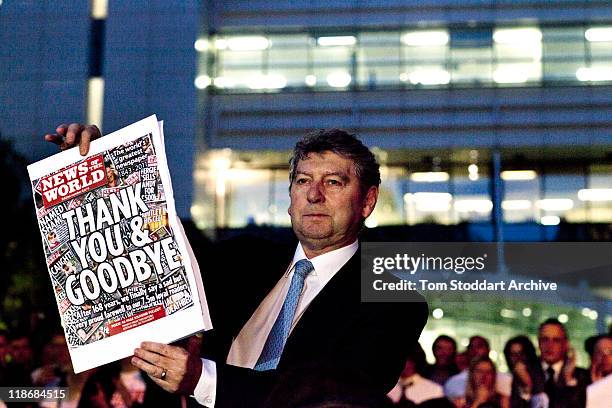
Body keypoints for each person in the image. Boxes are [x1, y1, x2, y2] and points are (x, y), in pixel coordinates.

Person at [45, 124, 429, 407]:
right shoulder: (240, 258)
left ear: (367, 201)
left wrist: (201, 378)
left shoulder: (393, 303)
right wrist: (95, 177)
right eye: (302, 180)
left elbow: (326, 396)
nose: (313, 194)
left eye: (333, 182)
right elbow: (149, 257)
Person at [537, 318, 590, 408]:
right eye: (545, 339)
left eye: (556, 340)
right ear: (538, 343)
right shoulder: (528, 372)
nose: (550, 346)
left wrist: (568, 380)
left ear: (566, 344)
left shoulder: (582, 377)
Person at [444, 336, 511, 403]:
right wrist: (478, 401)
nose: (475, 350)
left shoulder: (505, 385)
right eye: (479, 371)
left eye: (488, 372)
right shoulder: (455, 383)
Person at [503, 335, 548, 408]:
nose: (518, 358)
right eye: (513, 354)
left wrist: (527, 383)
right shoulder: (508, 379)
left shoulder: (542, 376)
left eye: (521, 353)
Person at [585, 335, 611, 408]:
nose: (605, 356)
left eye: (610, 352)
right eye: (599, 352)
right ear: (592, 357)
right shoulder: (583, 387)